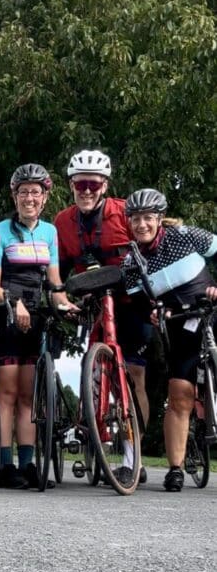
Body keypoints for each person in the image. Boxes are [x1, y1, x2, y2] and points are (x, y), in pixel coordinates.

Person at [54, 149, 151, 468]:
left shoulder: (125, 212)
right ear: (71, 185)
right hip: (94, 303)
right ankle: (92, 432)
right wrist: (60, 299)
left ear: (104, 186)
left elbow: (151, 249)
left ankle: (131, 454)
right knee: (94, 372)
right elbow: (59, 269)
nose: (86, 191)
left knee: (135, 374)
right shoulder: (63, 222)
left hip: (131, 301)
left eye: (93, 186)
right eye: (80, 185)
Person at [0, 164, 77, 489]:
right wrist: (13, 302)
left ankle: (28, 465)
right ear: (15, 195)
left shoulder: (50, 232)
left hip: (36, 314)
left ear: (45, 197)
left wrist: (64, 303)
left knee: (28, 395)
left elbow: (54, 281)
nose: (29, 198)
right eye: (23, 192)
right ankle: (5, 465)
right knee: (7, 393)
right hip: (6, 312)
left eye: (35, 192)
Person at [122, 188, 217, 492]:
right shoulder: (131, 261)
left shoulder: (185, 235)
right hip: (179, 322)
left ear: (159, 218)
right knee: (179, 393)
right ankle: (175, 468)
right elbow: (138, 303)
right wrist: (152, 312)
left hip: (211, 309)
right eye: (135, 219)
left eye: (148, 218)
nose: (142, 225)